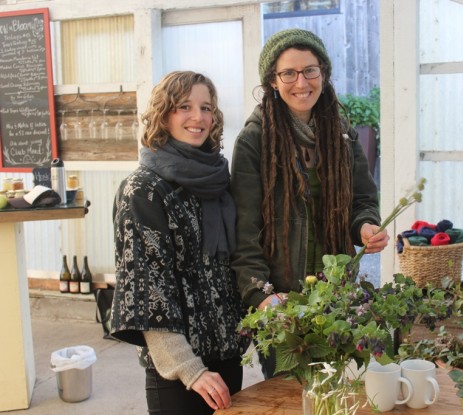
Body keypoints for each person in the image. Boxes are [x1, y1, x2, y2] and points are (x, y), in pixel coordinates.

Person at [230, 29, 389, 378]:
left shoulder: (340, 133)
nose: (301, 82)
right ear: (272, 80)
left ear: (324, 73)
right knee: (291, 394)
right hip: (283, 301)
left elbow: (363, 198)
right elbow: (244, 233)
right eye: (289, 72)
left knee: (336, 391)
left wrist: (364, 226)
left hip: (335, 296)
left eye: (310, 70)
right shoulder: (255, 140)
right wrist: (262, 297)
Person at [110, 70, 249, 414]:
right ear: (163, 113)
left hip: (228, 357)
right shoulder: (143, 190)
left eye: (207, 107)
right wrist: (189, 368)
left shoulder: (219, 181)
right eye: (184, 106)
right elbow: (147, 287)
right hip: (178, 373)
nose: (198, 117)